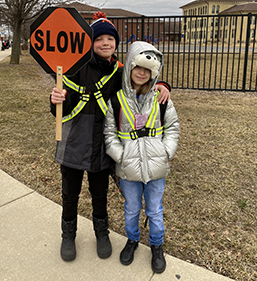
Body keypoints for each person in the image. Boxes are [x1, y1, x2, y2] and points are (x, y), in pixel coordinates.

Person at [50, 12, 171, 262]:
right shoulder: (75, 68)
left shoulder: (118, 72)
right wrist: (56, 100)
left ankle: (101, 233)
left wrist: (164, 85)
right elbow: (62, 105)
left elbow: (141, 82)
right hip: (73, 143)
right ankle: (68, 235)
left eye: (110, 38)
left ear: (116, 43)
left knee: (99, 193)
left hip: (103, 146)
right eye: (99, 39)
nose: (105, 43)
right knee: (69, 194)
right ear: (90, 43)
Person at [104, 41, 180, 273]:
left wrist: (166, 152)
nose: (141, 72)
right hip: (128, 169)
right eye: (137, 67)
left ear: (153, 72)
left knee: (155, 210)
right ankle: (133, 239)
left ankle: (157, 245)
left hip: (156, 168)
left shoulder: (161, 99)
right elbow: (109, 133)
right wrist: (122, 156)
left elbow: (173, 127)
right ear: (129, 67)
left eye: (147, 70)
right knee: (132, 208)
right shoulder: (116, 100)